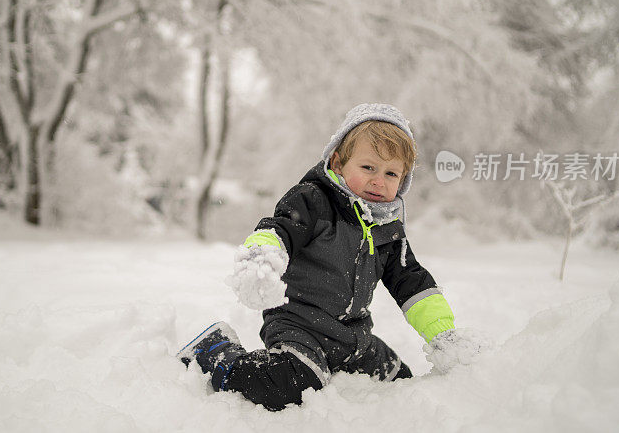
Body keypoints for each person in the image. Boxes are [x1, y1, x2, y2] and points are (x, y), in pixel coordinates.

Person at [178, 103, 481, 411]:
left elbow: (411, 281)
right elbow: (280, 229)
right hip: (299, 326)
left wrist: (443, 333)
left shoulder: (387, 229)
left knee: (399, 379)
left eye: (391, 173)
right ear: (338, 162)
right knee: (288, 385)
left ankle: (336, 364)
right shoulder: (314, 201)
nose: (379, 181)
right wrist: (262, 256)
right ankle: (217, 352)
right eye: (368, 168)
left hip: (353, 337)